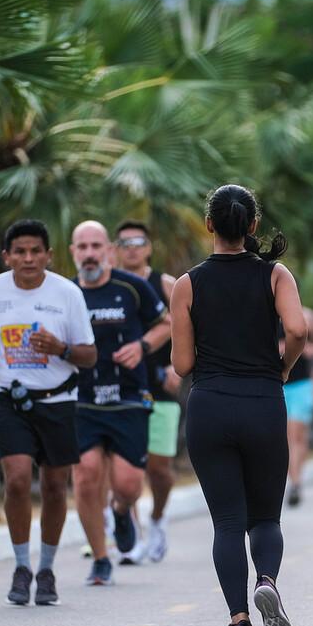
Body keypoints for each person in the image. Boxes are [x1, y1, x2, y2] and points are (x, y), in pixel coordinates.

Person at [173, 184, 305, 626]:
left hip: (209, 405)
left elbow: (183, 365)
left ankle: (238, 624)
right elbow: (297, 329)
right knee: (265, 515)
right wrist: (283, 366)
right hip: (263, 402)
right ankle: (266, 579)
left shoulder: (187, 284)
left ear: (209, 224)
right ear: (253, 225)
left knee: (228, 521)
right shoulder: (274, 276)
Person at [0, 220, 97, 608]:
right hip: (8, 397)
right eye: (19, 252)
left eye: (35, 251)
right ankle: (22, 566)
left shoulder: (67, 293)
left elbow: (89, 356)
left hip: (58, 400)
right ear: (6, 256)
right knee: (19, 480)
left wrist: (59, 349)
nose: (28, 259)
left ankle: (47, 569)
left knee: (56, 487)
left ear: (48, 255)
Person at [69, 221, 169, 584]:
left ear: (109, 250)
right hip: (82, 400)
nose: (90, 253)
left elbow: (166, 324)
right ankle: (100, 558)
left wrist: (141, 347)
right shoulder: (65, 293)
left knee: (128, 485)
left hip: (128, 397)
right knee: (85, 475)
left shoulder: (133, 287)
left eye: (97, 245)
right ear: (72, 253)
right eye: (83, 247)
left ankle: (121, 509)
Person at [115, 219, 178, 562]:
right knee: (126, 468)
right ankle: (132, 537)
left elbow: (188, 326)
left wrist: (179, 366)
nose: (132, 248)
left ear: (149, 247)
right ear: (116, 249)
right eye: (125, 243)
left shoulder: (164, 284)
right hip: (123, 386)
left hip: (161, 385)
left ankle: (157, 520)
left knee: (159, 469)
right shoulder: (111, 284)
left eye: (139, 241)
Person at [281, 309, 313, 507]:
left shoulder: (303, 319)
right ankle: (294, 481)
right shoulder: (271, 317)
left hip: (302, 385)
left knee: (297, 437)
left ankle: (296, 481)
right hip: (281, 386)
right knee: (288, 438)